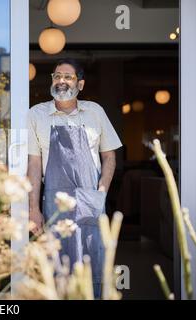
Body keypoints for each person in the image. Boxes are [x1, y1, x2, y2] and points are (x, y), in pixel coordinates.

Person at [27, 58, 122, 298]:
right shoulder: (36, 114)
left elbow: (109, 157)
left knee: (92, 261)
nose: (61, 81)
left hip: (90, 198)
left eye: (68, 77)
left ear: (80, 84)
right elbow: (34, 164)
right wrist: (33, 209)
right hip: (54, 202)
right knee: (57, 264)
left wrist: (101, 193)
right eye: (57, 75)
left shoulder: (94, 112)